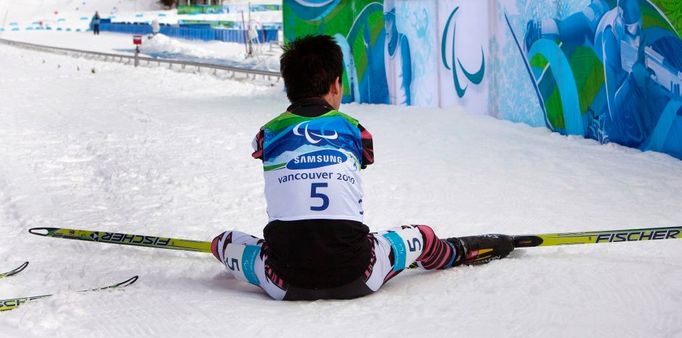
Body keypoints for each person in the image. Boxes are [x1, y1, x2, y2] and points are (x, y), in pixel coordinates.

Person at [210, 34, 514, 301]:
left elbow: (260, 152)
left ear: (289, 86)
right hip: (359, 273)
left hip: (283, 280)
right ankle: (451, 253)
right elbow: (364, 158)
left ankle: (233, 251)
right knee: (420, 234)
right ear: (336, 84)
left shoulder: (268, 132)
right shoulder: (355, 130)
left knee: (223, 241)